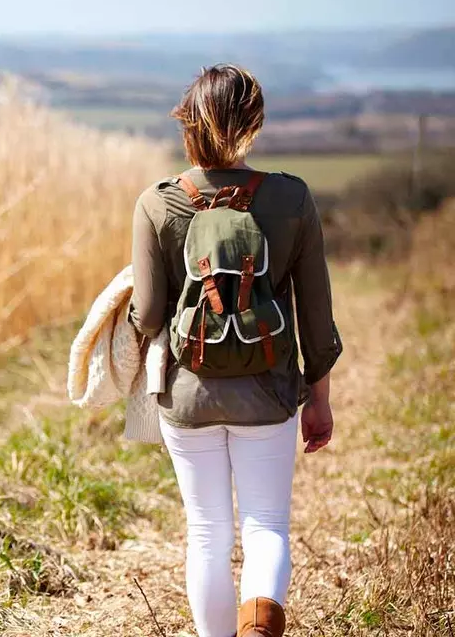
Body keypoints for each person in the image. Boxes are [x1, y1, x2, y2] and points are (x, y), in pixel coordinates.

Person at [129, 64, 342, 637]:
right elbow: (316, 317)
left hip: (186, 394)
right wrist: (317, 398)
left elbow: (149, 316)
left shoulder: (157, 203)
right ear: (255, 123)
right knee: (266, 525)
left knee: (206, 532)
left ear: (187, 126)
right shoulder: (293, 198)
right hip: (269, 392)